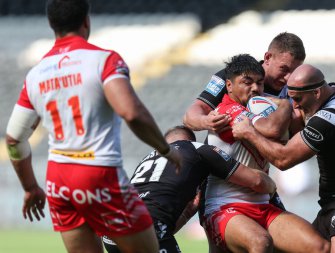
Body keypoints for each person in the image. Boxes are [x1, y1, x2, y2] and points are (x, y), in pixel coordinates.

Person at [5, 1, 182, 253]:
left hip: (58, 179)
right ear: (86, 21)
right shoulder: (104, 61)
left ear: (51, 24)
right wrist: (165, 150)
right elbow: (131, 113)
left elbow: (13, 140)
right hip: (98, 172)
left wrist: (30, 187)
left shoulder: (36, 74)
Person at [231, 63, 335, 253]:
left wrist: (249, 133)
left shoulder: (329, 119)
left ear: (316, 93)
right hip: (331, 201)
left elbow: (283, 160)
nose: (296, 105)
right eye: (291, 99)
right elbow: (299, 120)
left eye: (298, 99)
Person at [204, 54, 329, 253]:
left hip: (261, 205)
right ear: (229, 85)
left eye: (260, 83)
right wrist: (286, 104)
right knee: (260, 243)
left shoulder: (258, 110)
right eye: (247, 82)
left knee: (319, 247)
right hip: (225, 206)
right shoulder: (226, 111)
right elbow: (272, 129)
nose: (255, 88)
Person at [102, 125, 278, 253]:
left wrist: (186, 215)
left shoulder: (147, 159)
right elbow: (256, 181)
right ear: (190, 141)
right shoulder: (196, 149)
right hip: (147, 225)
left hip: (111, 231)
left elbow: (161, 225)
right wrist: (271, 185)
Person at [183, 31, 306, 133]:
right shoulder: (234, 75)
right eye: (283, 69)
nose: (288, 78)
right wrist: (206, 121)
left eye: (294, 71)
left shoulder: (296, 90)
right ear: (268, 57)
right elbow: (192, 114)